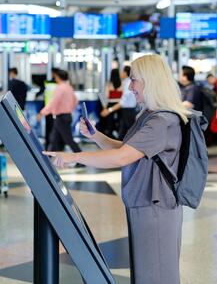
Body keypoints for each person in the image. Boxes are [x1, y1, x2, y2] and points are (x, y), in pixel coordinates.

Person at [44, 54, 189, 284]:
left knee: (156, 275)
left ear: (150, 81)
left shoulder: (161, 122)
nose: (130, 87)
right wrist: (94, 135)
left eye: (134, 80)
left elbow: (122, 157)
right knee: (147, 273)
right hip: (146, 204)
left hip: (155, 209)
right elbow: (126, 147)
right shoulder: (149, 116)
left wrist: (73, 157)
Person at [37, 69, 82, 154]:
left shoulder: (59, 88)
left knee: (68, 139)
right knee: (54, 138)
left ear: (58, 77)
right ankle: (47, 156)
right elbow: (75, 100)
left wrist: (42, 113)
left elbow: (53, 102)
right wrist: (69, 109)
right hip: (66, 116)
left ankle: (81, 158)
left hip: (61, 117)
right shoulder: (69, 87)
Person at [101, 65, 137, 140]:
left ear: (125, 73)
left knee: (128, 131)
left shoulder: (127, 83)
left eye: (122, 72)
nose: (120, 73)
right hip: (122, 109)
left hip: (126, 110)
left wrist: (108, 110)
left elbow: (122, 102)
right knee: (122, 131)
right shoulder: (123, 83)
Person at [99, 68, 122, 138]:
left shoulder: (109, 84)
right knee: (120, 121)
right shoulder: (122, 83)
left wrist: (105, 107)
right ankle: (119, 135)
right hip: (119, 105)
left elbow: (106, 96)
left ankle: (110, 136)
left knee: (110, 122)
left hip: (110, 104)